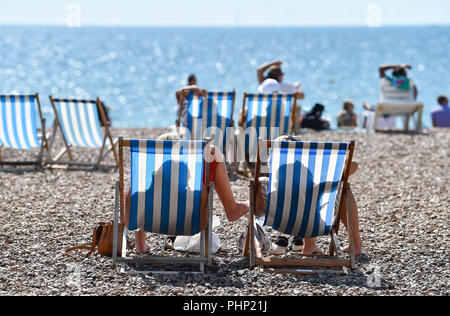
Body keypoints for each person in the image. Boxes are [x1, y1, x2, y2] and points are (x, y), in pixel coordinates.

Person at [125, 132, 249, 254]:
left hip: (151, 221)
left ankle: (140, 244)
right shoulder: (191, 196)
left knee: (140, 197)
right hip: (189, 223)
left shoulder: (145, 193)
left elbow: (130, 201)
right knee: (213, 153)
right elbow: (202, 201)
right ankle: (232, 208)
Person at [254, 135, 362, 256]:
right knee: (343, 188)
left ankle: (309, 245)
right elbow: (354, 165)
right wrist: (334, 175)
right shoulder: (315, 184)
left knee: (261, 183)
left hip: (281, 224)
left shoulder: (272, 187)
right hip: (314, 226)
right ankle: (354, 244)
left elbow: (258, 213)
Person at [363, 64, 418, 129]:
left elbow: (381, 68)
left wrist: (399, 65)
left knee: (366, 104)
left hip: (385, 108)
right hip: (408, 108)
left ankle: (369, 108)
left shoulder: (387, 81)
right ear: (404, 73)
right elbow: (414, 96)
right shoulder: (410, 82)